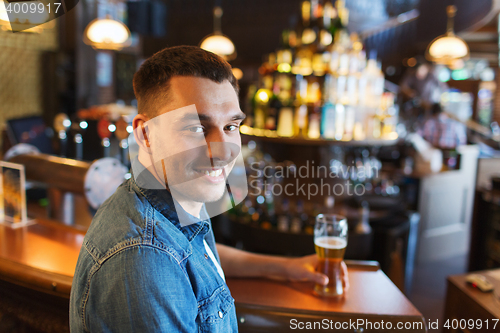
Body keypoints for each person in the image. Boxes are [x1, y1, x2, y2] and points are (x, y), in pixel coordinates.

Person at [70, 46, 348, 332]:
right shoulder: (143, 259)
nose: (224, 153)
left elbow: (195, 255)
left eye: (230, 127)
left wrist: (284, 268)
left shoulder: (171, 196)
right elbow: (165, 259)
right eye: (197, 129)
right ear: (145, 134)